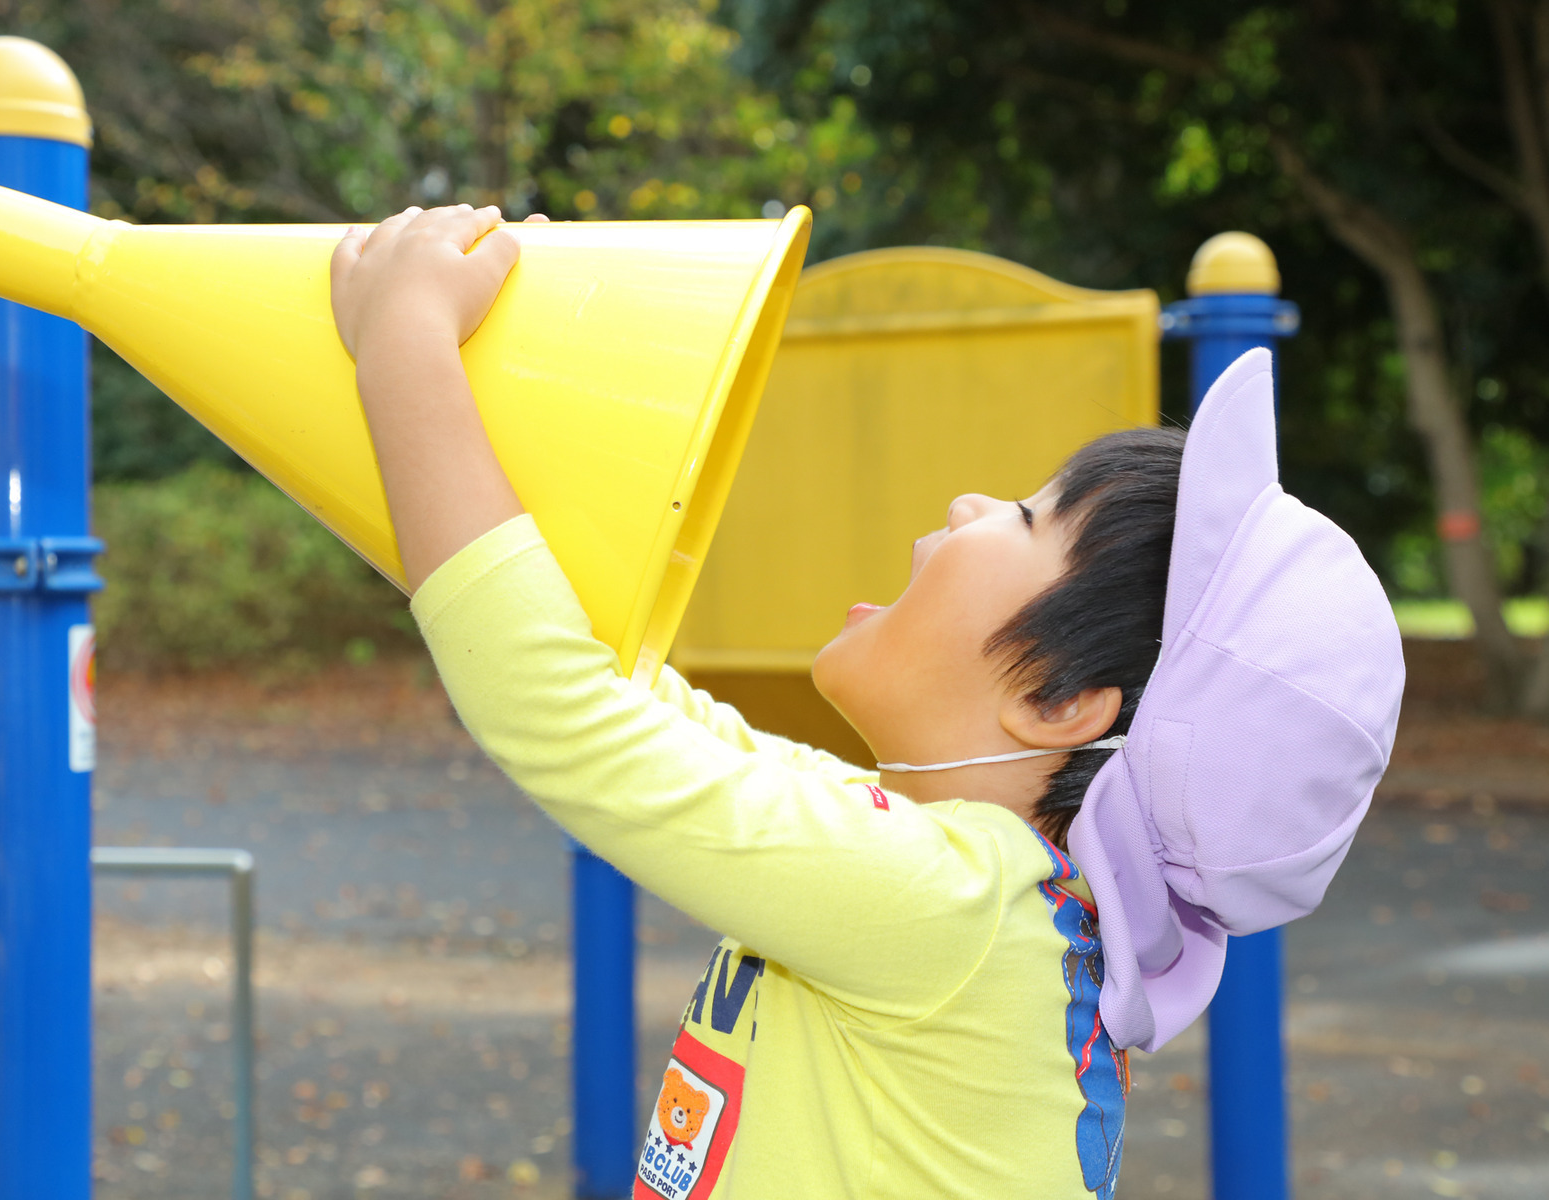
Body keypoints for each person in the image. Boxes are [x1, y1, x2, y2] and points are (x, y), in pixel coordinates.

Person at [328, 204, 1404, 1200]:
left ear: (1060, 698)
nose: (968, 500)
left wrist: (405, 344)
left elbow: (558, 705)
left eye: (1027, 517)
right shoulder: (929, 867)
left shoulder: (946, 910)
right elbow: (616, 683)